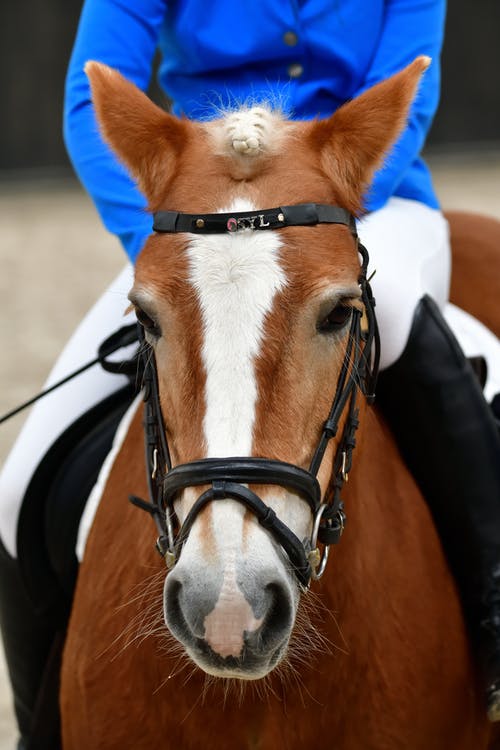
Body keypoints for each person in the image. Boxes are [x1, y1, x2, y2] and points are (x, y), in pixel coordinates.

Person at [1, 1, 500, 746]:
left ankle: (492, 630)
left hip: (360, 203)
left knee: (409, 332)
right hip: (196, 220)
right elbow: (90, 97)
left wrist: (316, 220)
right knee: (20, 484)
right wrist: (178, 247)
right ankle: (44, 720)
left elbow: (407, 89)